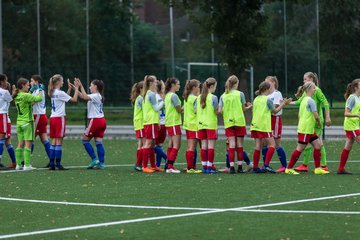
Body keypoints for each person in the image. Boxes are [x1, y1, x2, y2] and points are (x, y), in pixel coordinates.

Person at [285, 82, 329, 175]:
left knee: (318, 145)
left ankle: (317, 168)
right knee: (300, 148)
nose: (315, 89)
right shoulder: (310, 101)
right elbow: (315, 114)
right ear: (309, 89)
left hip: (309, 129)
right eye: (313, 88)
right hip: (305, 129)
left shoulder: (304, 99)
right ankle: (288, 168)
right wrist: (319, 122)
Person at [250, 81, 291, 173]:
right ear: (265, 89)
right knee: (272, 144)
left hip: (255, 125)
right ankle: (266, 165)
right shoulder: (267, 100)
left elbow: (253, 111)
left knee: (257, 146)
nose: (270, 91)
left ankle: (255, 168)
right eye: (269, 89)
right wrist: (283, 104)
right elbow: (275, 111)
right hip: (264, 125)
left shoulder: (256, 99)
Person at [218, 75, 252, 174]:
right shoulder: (240, 94)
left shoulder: (223, 95)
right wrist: (249, 107)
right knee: (240, 144)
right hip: (239, 121)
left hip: (229, 122)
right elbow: (243, 108)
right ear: (236, 83)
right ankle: (240, 167)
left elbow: (220, 110)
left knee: (231, 144)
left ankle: (232, 167)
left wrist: (228, 110)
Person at [47, 74, 80, 170]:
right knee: (59, 141)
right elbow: (74, 99)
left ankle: (52, 165)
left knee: (53, 141)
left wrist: (69, 90)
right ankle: (58, 165)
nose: (63, 82)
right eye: (62, 81)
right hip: (59, 118)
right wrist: (76, 88)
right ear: (57, 82)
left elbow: (63, 99)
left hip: (53, 118)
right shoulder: (60, 93)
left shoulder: (52, 92)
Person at [13, 77, 43, 170]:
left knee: (20, 144)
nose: (29, 86)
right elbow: (39, 99)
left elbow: (27, 99)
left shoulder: (17, 96)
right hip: (27, 122)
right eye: (27, 85)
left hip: (19, 123)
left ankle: (18, 165)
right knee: (28, 144)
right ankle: (27, 165)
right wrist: (41, 89)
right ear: (22, 85)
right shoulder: (25, 96)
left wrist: (30, 90)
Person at [79, 79, 107, 169]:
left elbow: (85, 97)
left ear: (95, 87)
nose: (89, 87)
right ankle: (101, 163)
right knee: (98, 142)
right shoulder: (97, 95)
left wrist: (81, 86)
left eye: (91, 85)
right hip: (101, 120)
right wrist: (76, 89)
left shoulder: (95, 95)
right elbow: (84, 96)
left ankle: (94, 159)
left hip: (95, 120)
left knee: (85, 140)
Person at [261, 76, 288, 172]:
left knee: (276, 143)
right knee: (264, 143)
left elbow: (274, 109)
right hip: (266, 120)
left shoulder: (277, 94)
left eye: (267, 82)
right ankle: (265, 165)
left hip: (275, 119)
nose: (265, 84)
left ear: (273, 83)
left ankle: (284, 166)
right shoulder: (266, 95)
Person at [141, 75, 164, 173]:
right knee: (148, 143)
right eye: (155, 82)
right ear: (151, 83)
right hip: (150, 121)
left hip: (151, 121)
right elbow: (156, 108)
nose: (157, 83)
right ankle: (145, 166)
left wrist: (157, 122)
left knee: (151, 144)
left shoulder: (147, 94)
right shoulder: (151, 94)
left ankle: (153, 165)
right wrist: (163, 102)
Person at [337, 79, 360, 174]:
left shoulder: (358, 98)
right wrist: (357, 115)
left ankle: (341, 169)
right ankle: (341, 168)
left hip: (354, 125)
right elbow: (346, 113)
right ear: (356, 87)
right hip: (352, 126)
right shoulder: (352, 98)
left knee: (348, 147)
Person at [197, 77, 219, 174]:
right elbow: (216, 111)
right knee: (210, 147)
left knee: (203, 146)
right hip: (210, 124)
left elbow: (195, 110)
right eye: (215, 86)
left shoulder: (198, 97)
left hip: (201, 124)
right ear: (212, 86)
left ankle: (204, 167)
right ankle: (209, 167)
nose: (215, 89)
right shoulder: (213, 97)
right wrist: (221, 110)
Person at [29, 75, 51, 165]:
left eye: (31, 81)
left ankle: (26, 161)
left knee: (30, 139)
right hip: (40, 116)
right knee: (44, 139)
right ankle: (52, 159)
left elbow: (32, 103)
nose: (30, 83)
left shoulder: (38, 91)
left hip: (38, 116)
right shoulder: (37, 91)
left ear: (36, 82)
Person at [183, 79, 202, 173]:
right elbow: (196, 111)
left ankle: (191, 166)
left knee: (191, 147)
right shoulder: (195, 98)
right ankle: (190, 168)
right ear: (194, 88)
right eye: (198, 87)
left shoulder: (187, 98)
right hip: (194, 125)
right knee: (192, 147)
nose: (199, 89)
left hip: (188, 124)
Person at [164, 77, 182, 173]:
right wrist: (186, 108)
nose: (179, 86)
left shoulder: (167, 95)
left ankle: (168, 165)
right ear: (173, 85)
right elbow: (179, 110)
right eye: (178, 84)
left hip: (169, 122)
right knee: (176, 145)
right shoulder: (173, 96)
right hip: (174, 122)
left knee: (171, 144)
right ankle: (170, 166)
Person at [130, 81, 145, 171]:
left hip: (138, 122)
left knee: (141, 143)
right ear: (141, 89)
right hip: (140, 122)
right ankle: (138, 164)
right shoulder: (140, 98)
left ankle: (139, 164)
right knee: (143, 143)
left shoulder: (139, 98)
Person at [0, 74, 13, 170]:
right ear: (2, 82)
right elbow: (11, 100)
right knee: (2, 140)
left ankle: (14, 162)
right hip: (3, 116)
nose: (7, 82)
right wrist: (12, 91)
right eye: (6, 80)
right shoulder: (4, 92)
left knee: (5, 141)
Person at [154, 80, 168, 168]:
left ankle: (167, 158)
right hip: (164, 123)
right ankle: (157, 165)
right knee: (159, 145)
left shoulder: (155, 97)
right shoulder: (163, 98)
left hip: (158, 123)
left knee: (150, 145)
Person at [3, 82, 17, 169]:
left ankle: (14, 162)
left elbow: (11, 99)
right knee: (7, 143)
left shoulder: (4, 95)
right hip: (3, 121)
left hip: (5, 122)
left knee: (7, 143)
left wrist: (13, 94)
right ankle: (14, 162)